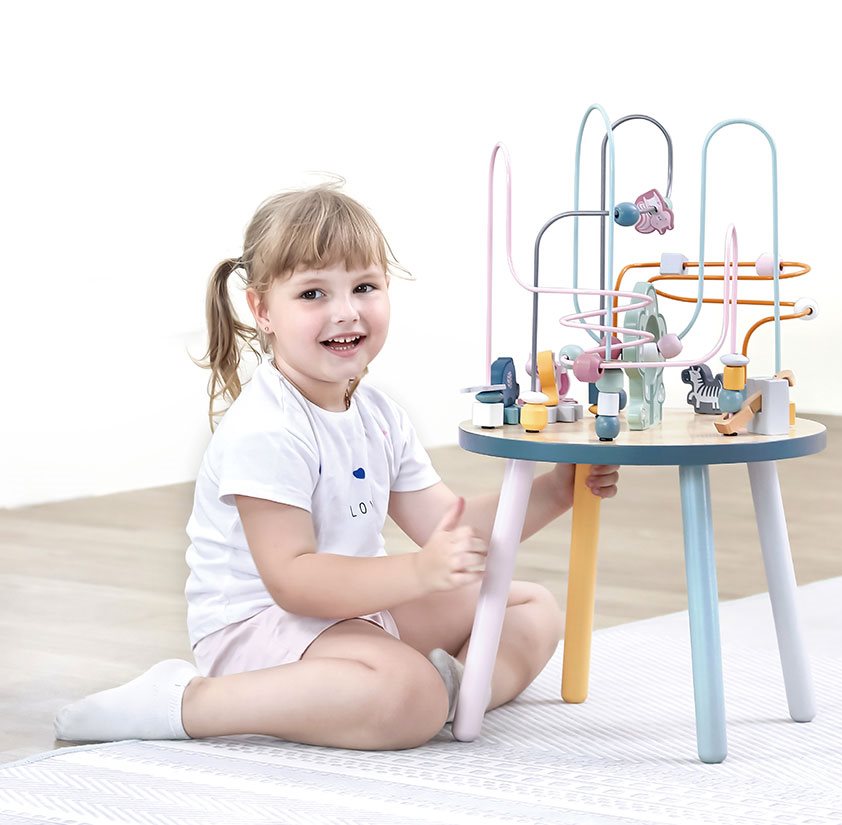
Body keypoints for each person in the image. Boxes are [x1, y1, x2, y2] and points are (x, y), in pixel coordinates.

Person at [54, 181, 619, 750]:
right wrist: (418, 573)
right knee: (407, 692)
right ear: (262, 310)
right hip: (263, 629)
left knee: (531, 607)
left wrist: (555, 491)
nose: (346, 312)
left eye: (364, 287)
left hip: (353, 611)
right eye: (313, 294)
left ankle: (448, 694)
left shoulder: (379, 415)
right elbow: (294, 581)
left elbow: (451, 527)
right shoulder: (268, 428)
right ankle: (189, 702)